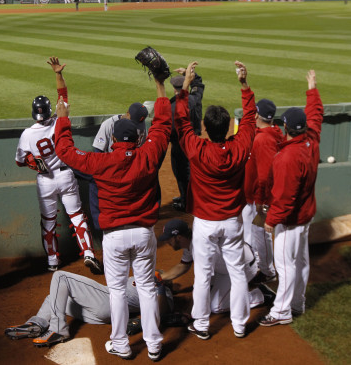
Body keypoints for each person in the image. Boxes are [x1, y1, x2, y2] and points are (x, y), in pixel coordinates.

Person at [53, 62, 178, 361]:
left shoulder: (101, 162)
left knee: (118, 291)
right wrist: (160, 87)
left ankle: (121, 344)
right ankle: (154, 344)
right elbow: (162, 124)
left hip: (115, 239)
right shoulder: (148, 153)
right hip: (144, 234)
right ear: (136, 138)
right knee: (147, 288)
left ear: (113, 140)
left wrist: (63, 120)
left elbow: (65, 152)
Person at [173, 61, 256, 339]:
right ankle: (240, 324)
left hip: (206, 225)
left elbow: (182, 121)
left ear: (206, 128)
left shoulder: (197, 148)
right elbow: (250, 120)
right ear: (228, 127)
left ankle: (202, 324)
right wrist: (244, 85)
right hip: (232, 223)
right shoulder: (240, 146)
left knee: (203, 276)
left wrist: (185, 87)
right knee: (238, 273)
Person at [15, 57, 102, 275]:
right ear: (49, 109)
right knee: (77, 216)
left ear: (34, 113)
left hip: (45, 181)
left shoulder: (27, 135)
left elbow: (19, 160)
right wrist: (58, 73)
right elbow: (63, 96)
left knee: (48, 222)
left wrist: (33, 164)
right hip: (66, 176)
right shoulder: (59, 122)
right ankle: (89, 253)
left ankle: (52, 261)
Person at [259, 70, 323, 327]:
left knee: (286, 266)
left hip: (291, 220)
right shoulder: (312, 141)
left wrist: (271, 221)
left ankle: (281, 311)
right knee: (302, 262)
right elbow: (316, 116)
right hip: (306, 215)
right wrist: (312, 90)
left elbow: (285, 197)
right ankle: (298, 303)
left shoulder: (287, 158)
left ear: (285, 127)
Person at [4, 270, 173, 347]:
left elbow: (163, 310)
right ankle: (37, 323)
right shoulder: (137, 275)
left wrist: (160, 285)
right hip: (102, 312)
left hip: (107, 301)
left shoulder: (163, 291)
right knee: (55, 297)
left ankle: (58, 330)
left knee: (60, 276)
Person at [158, 219, 276, 317]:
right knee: (206, 295)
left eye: (168, 239)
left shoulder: (201, 247)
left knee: (216, 306)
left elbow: (203, 281)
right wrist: (159, 277)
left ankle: (261, 294)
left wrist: (189, 312)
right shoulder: (191, 241)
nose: (167, 242)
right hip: (225, 267)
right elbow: (183, 266)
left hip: (243, 266)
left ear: (178, 237)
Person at [88, 102, 148, 230]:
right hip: (110, 171)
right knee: (94, 182)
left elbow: (141, 151)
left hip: (130, 170)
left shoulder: (141, 127)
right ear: (127, 114)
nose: (137, 125)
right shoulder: (108, 125)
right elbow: (98, 153)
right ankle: (100, 225)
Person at [242, 98, 282, 283]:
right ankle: (258, 265)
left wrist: (261, 200)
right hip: (254, 196)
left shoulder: (264, 139)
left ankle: (268, 271)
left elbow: (265, 175)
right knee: (252, 232)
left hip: (260, 197)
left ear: (257, 114)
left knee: (260, 233)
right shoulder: (265, 134)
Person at [168, 68, 204, 211]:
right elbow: (199, 86)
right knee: (192, 170)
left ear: (173, 88)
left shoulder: (172, 106)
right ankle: (188, 197)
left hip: (180, 144)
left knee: (181, 173)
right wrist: (191, 76)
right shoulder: (195, 98)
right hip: (194, 141)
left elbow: (170, 129)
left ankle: (186, 201)